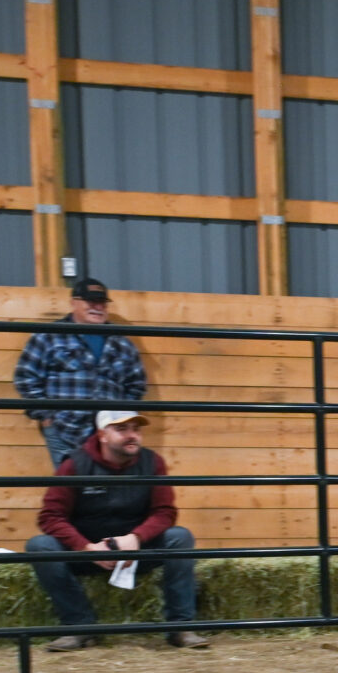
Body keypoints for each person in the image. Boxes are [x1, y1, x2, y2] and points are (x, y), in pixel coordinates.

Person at [29, 409, 207, 652]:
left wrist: (136, 538)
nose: (132, 435)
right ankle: (78, 627)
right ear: (102, 435)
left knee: (180, 537)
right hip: (88, 552)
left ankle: (180, 627)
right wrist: (87, 548)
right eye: (121, 429)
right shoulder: (75, 465)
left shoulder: (152, 462)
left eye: (136, 429)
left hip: (137, 551)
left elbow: (165, 512)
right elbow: (50, 516)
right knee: (39, 546)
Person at [15, 277, 147, 470]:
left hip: (109, 435)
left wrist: (121, 423)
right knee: (70, 490)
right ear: (73, 302)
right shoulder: (49, 336)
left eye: (101, 302)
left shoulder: (123, 344)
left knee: (109, 491)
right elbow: (26, 377)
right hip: (65, 430)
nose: (97, 307)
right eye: (90, 301)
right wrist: (47, 417)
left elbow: (136, 385)